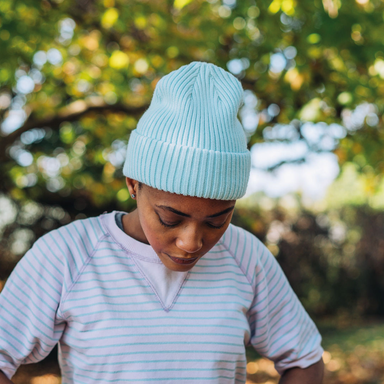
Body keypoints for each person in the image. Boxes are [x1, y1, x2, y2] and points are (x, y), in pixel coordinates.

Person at [0, 62, 324, 384]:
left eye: (217, 221)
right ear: (133, 184)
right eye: (170, 219)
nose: (191, 242)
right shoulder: (66, 255)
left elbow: (304, 358)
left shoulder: (246, 257)